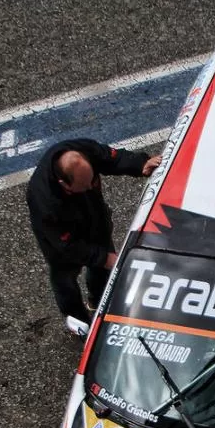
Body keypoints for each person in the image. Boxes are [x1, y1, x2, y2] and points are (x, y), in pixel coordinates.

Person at [26, 139, 161, 326]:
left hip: (93, 218)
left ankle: (98, 300)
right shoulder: (45, 203)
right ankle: (78, 322)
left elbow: (110, 157)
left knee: (101, 263)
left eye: (92, 181)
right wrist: (106, 258)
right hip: (60, 242)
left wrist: (140, 164)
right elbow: (68, 247)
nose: (91, 187)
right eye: (84, 186)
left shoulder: (83, 150)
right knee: (64, 276)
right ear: (64, 184)